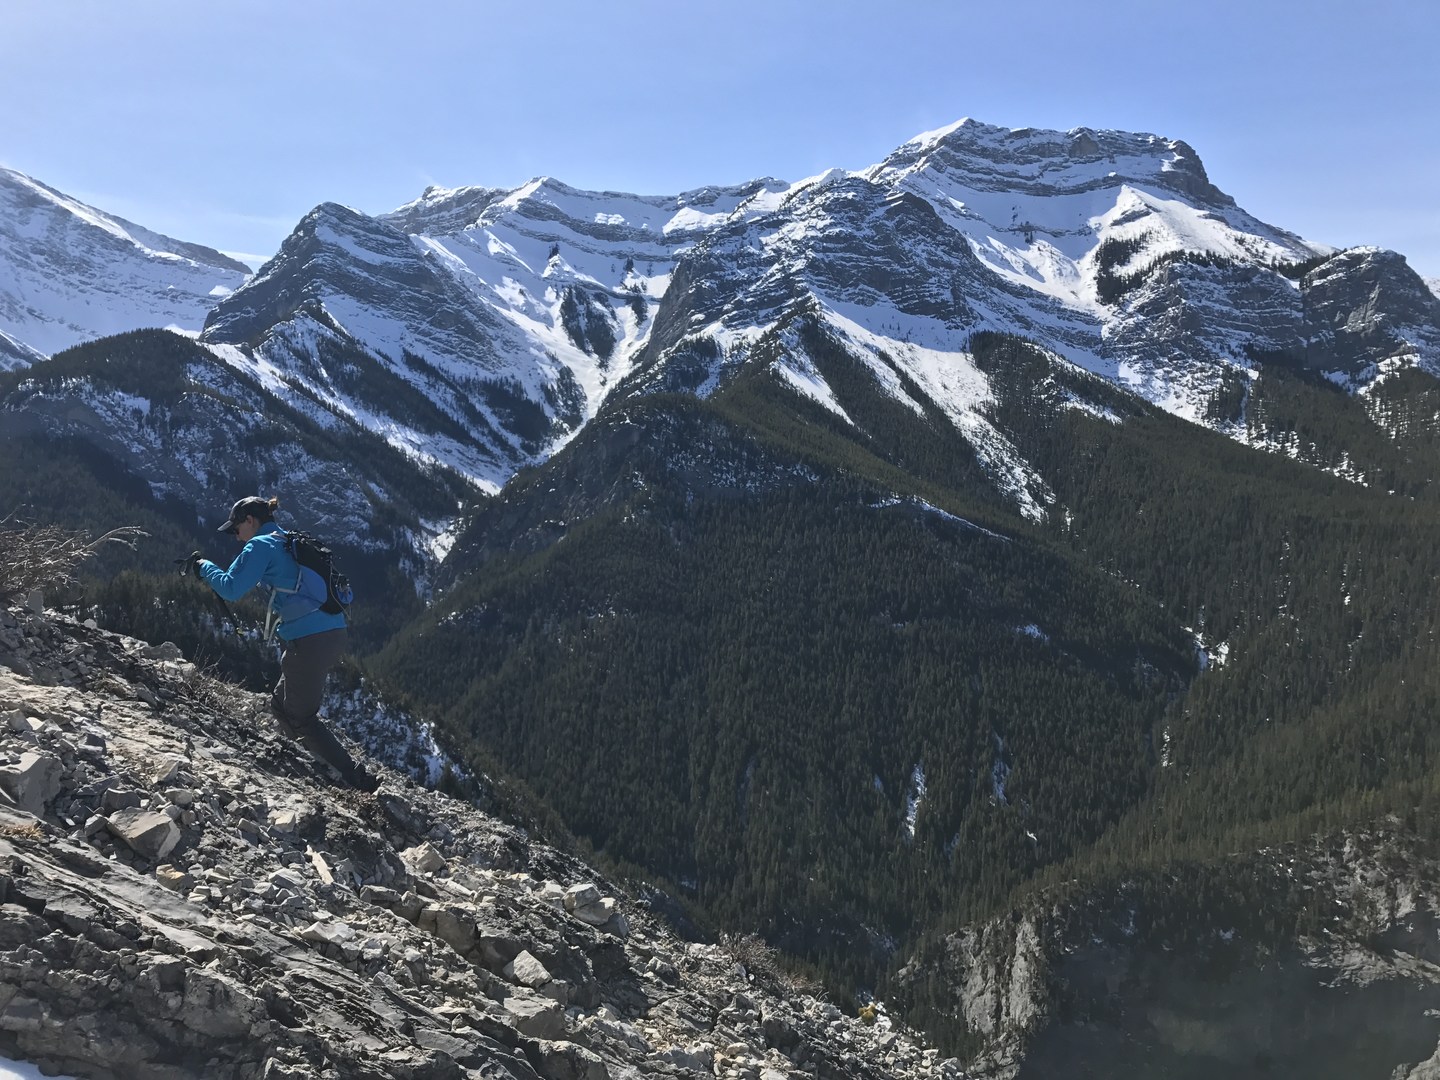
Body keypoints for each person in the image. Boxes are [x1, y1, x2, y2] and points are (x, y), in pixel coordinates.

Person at [186, 496, 378, 792]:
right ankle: (310, 765)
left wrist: (203, 567)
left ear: (250, 520)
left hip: (310, 639)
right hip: (330, 632)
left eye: (236, 529)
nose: (236, 536)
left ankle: (353, 779)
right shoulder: (288, 539)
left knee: (300, 716)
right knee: (280, 704)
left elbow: (231, 589)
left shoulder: (260, 546)